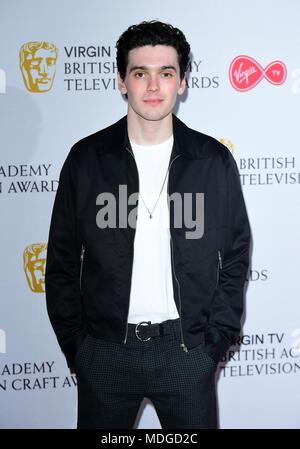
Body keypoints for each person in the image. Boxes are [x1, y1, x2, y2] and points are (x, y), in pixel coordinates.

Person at [45, 20, 250, 429]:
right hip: (105, 353)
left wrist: (214, 344)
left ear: (182, 82)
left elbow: (236, 254)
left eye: (166, 73)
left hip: (186, 351)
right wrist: (78, 348)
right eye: (141, 73)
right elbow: (61, 259)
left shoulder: (212, 160)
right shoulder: (87, 159)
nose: (153, 86)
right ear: (122, 82)